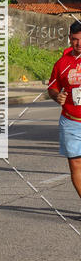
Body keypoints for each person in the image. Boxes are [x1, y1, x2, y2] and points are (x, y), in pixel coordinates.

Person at [48, 21, 81, 209]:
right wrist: (56, 96)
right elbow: (52, 87)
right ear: (70, 38)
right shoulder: (62, 63)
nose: (79, 44)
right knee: (76, 164)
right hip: (71, 121)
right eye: (75, 40)